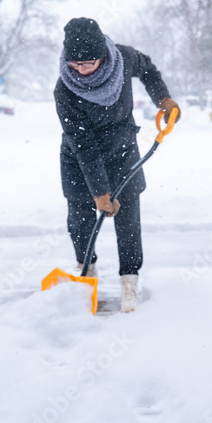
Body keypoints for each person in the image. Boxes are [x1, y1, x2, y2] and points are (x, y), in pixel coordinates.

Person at [54, 17, 180, 312]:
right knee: (81, 220)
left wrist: (164, 99)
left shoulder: (122, 59)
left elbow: (148, 68)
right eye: (75, 64)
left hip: (123, 150)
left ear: (103, 55)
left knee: (128, 220)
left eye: (88, 63)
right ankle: (86, 271)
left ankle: (129, 281)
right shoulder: (65, 91)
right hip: (79, 159)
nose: (81, 70)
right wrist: (99, 192)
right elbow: (84, 146)